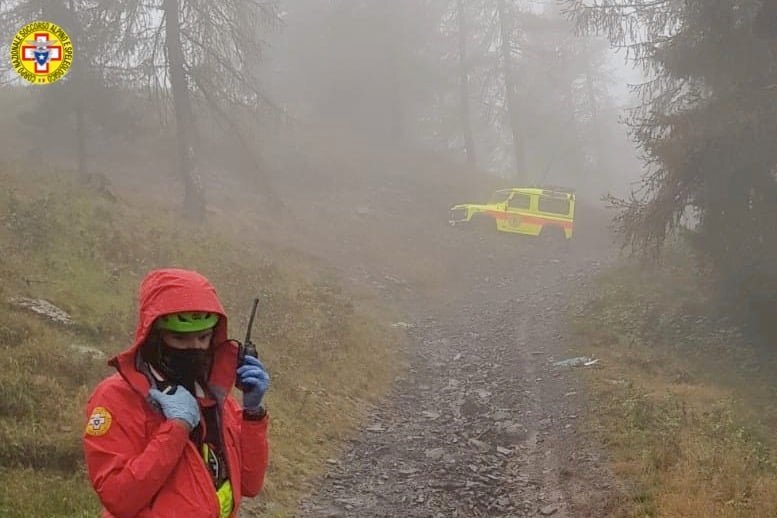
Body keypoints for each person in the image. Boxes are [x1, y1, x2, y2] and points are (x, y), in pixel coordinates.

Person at [83, 268, 270, 518]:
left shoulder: (213, 396)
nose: (194, 348)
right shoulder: (115, 397)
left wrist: (252, 414)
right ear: (154, 337)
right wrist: (177, 428)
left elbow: (249, 484)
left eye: (203, 337)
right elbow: (119, 498)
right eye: (180, 339)